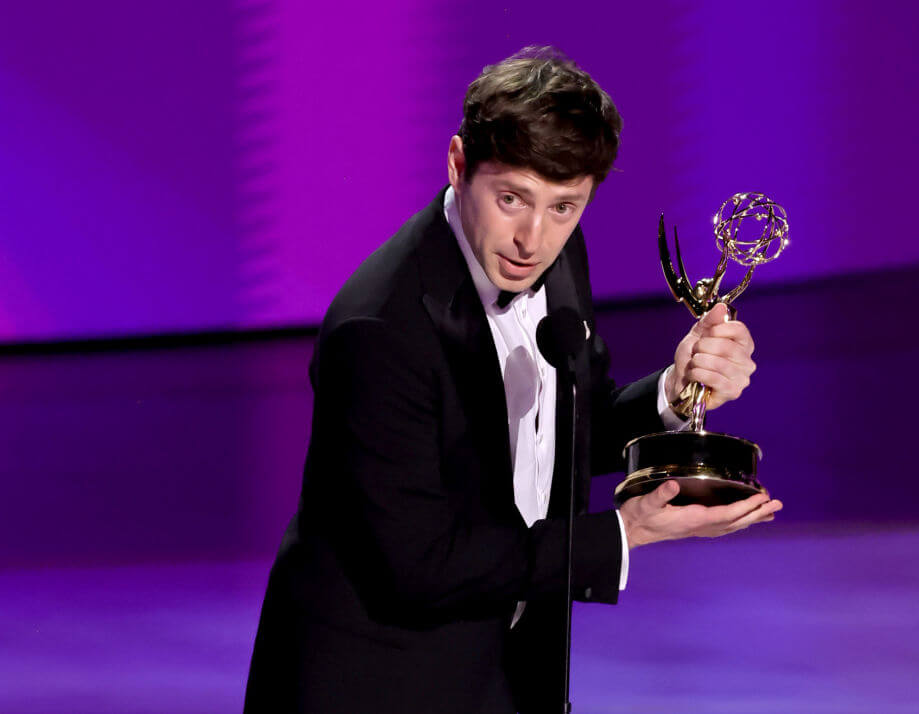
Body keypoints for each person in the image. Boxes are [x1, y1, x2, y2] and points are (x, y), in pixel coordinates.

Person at [243, 47, 781, 714]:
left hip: (507, 673)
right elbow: (419, 565)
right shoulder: (380, 329)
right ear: (458, 164)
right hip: (381, 680)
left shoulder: (558, 255)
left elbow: (564, 437)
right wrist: (622, 533)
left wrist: (675, 395)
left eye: (565, 206)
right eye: (511, 198)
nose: (533, 237)